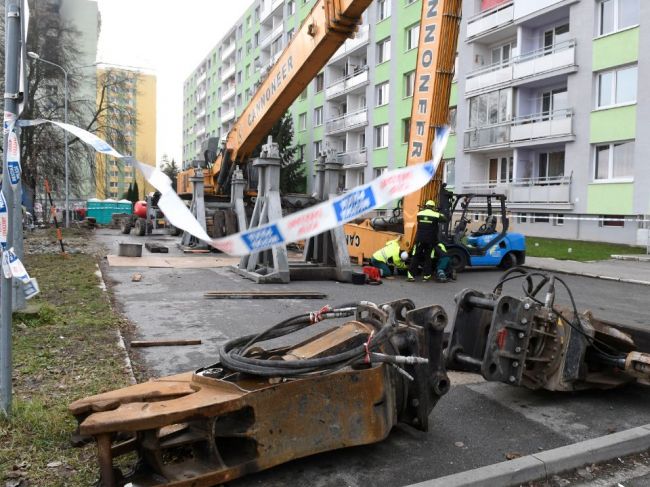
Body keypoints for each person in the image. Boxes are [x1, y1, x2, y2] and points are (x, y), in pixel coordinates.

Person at [407, 200, 448, 282]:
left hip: (419, 239)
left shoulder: (419, 214)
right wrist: (437, 211)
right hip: (430, 240)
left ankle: (411, 275)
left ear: (426, 206)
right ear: (433, 207)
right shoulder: (436, 215)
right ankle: (426, 275)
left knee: (416, 256)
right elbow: (445, 219)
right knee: (428, 257)